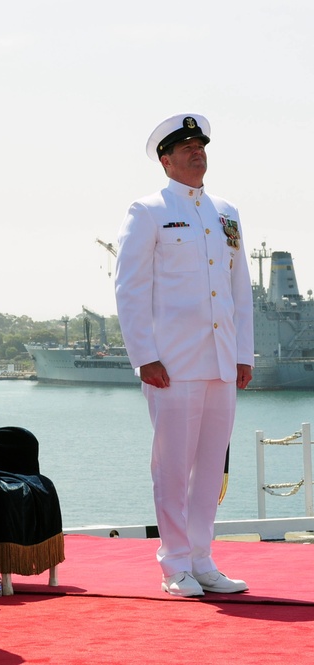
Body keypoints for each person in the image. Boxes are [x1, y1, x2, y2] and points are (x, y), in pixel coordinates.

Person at [114, 114, 254, 598]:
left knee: (211, 464)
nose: (196, 152)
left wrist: (242, 352)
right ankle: (174, 563)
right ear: (165, 159)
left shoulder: (226, 212)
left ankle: (202, 557)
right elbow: (130, 288)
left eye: (200, 145)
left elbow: (240, 288)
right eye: (185, 146)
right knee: (172, 465)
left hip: (219, 359)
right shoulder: (148, 210)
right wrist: (144, 355)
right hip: (171, 364)